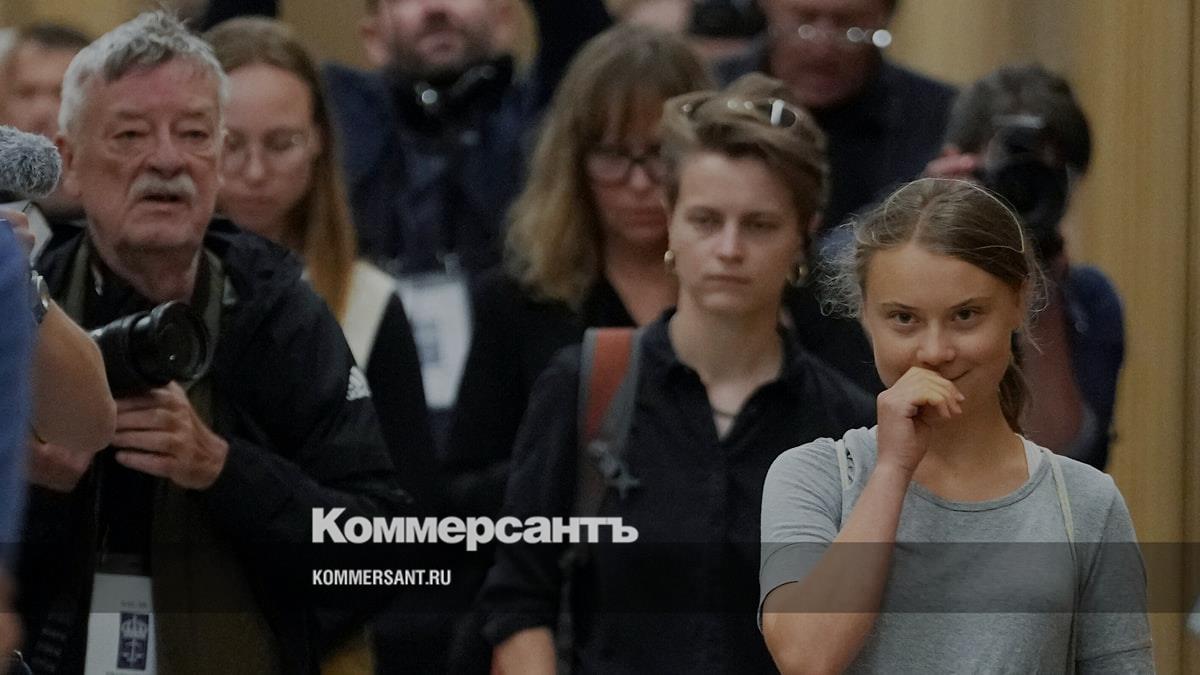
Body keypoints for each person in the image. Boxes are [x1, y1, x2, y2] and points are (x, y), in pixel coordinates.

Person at [19, 12, 405, 673]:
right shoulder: (30, 311)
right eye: (130, 134)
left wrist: (222, 469)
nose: (167, 160)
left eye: (194, 134)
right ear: (70, 160)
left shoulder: (278, 314)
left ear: (219, 158)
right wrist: (35, 487)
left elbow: (382, 555)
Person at [481, 73, 875, 673]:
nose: (729, 248)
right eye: (705, 220)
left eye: (760, 224)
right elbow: (518, 600)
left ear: (804, 233)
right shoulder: (586, 385)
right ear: (671, 221)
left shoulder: (845, 424)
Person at [759, 178, 1152, 673]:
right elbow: (806, 657)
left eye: (965, 315)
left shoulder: (1086, 504)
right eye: (904, 319)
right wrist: (891, 470)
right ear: (864, 316)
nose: (935, 351)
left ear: (1019, 301)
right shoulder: (814, 478)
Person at [205, 15, 434, 503]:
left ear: (319, 141)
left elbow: (410, 501)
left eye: (281, 144)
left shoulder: (367, 300)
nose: (255, 171)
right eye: (230, 144)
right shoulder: (152, 281)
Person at [925, 63, 1122, 470]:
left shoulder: (1089, 301)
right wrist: (930, 233)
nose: (1020, 196)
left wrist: (1040, 290)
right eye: (1009, 176)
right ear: (955, 165)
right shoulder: (872, 272)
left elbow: (1059, 460)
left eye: (1040, 180)